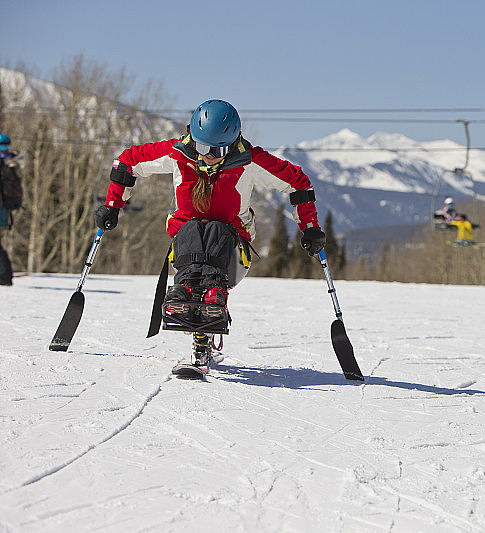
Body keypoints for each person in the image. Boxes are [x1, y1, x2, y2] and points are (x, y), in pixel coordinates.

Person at [95, 99, 325, 366]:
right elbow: (126, 162)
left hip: (230, 254)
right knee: (192, 226)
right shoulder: (177, 154)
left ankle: (214, 293)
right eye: (202, 147)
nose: (209, 156)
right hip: (185, 250)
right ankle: (183, 291)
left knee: (216, 228)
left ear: (234, 142)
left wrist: (310, 228)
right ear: (193, 139)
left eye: (219, 149)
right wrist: (112, 206)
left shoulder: (250, 161)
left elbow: (299, 183)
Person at [0, 133, 20, 286]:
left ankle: (4, 276)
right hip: (5, 210)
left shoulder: (4, 163)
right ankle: (4, 275)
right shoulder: (10, 161)